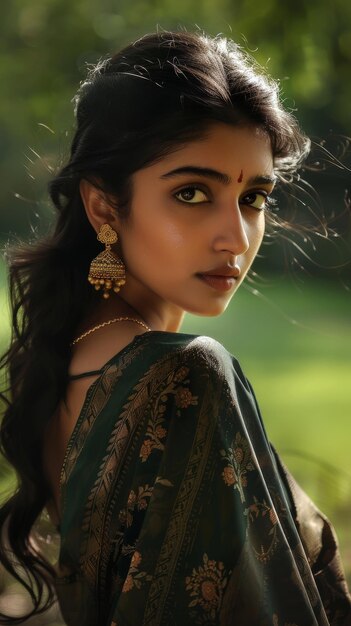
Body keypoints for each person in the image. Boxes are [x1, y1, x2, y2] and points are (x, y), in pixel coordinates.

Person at [0, 29, 350, 626]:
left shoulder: (79, 352)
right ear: (105, 208)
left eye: (254, 198)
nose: (236, 239)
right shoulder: (180, 373)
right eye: (192, 193)